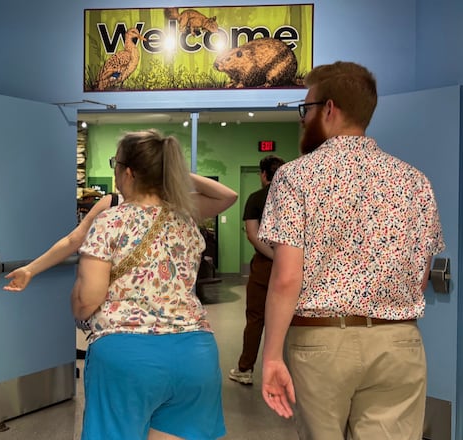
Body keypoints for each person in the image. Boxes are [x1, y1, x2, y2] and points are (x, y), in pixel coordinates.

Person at [259, 61, 445, 439]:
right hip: (399, 341)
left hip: (321, 342)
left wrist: (272, 355)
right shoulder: (414, 181)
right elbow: (422, 274)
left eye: (305, 109)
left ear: (329, 109)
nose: (302, 119)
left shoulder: (296, 176)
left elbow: (286, 278)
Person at [71, 129, 232, 440]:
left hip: (127, 356)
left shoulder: (111, 221)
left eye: (115, 164)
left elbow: (88, 299)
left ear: (128, 172)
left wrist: (75, 304)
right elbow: (225, 196)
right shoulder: (185, 217)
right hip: (194, 353)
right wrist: (169, 170)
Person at [2, 168, 237, 293]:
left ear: (129, 173)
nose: (115, 173)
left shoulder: (175, 203)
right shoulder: (111, 203)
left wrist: (173, 172)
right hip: (124, 314)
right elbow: (73, 240)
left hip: (164, 317)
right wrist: (31, 270)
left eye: (118, 165)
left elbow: (227, 197)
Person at [228, 154, 285, 385]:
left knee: (255, 318)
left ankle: (245, 369)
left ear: (263, 175)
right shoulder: (294, 198)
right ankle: (289, 373)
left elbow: (252, 234)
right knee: (290, 319)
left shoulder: (256, 198)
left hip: (264, 266)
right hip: (293, 266)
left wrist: (273, 256)